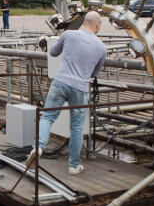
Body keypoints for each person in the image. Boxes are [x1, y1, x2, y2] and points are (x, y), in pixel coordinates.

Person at [26, 11, 107, 175]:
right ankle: (74, 165)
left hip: (61, 82)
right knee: (76, 127)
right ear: (98, 25)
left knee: (47, 117)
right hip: (81, 87)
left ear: (84, 22)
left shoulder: (69, 34)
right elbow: (95, 73)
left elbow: (53, 52)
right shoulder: (102, 48)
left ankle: (38, 148)